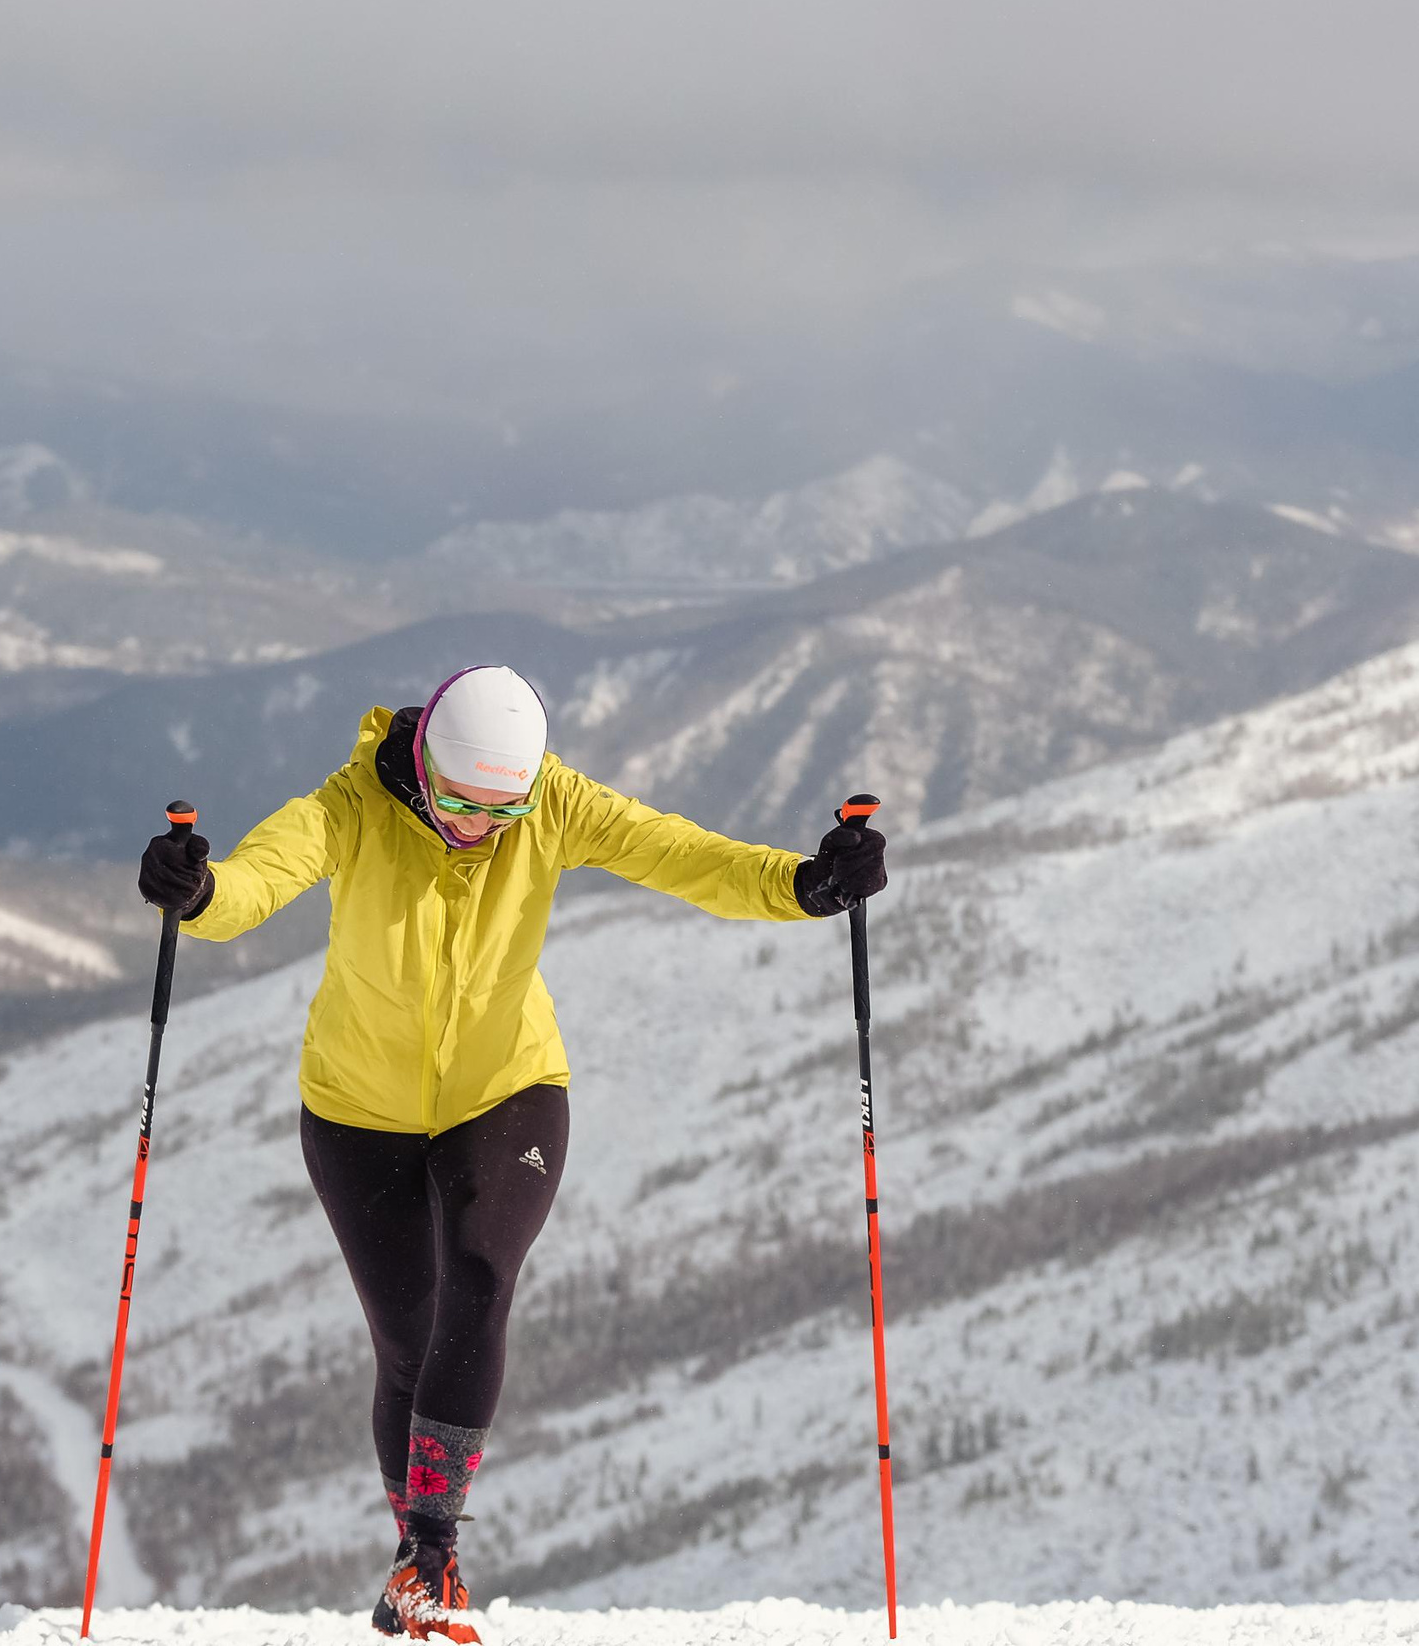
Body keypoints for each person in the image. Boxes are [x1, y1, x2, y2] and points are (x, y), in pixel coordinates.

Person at [136, 664, 886, 1642]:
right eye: (458, 803)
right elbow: (258, 878)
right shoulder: (352, 803)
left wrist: (806, 884)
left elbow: (682, 853)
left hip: (507, 1089)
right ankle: (415, 1560)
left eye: (504, 809)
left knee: (481, 1280)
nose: (479, 827)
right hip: (358, 1110)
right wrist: (197, 891)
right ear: (421, 765)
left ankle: (430, 1558)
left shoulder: (555, 804)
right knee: (407, 1345)